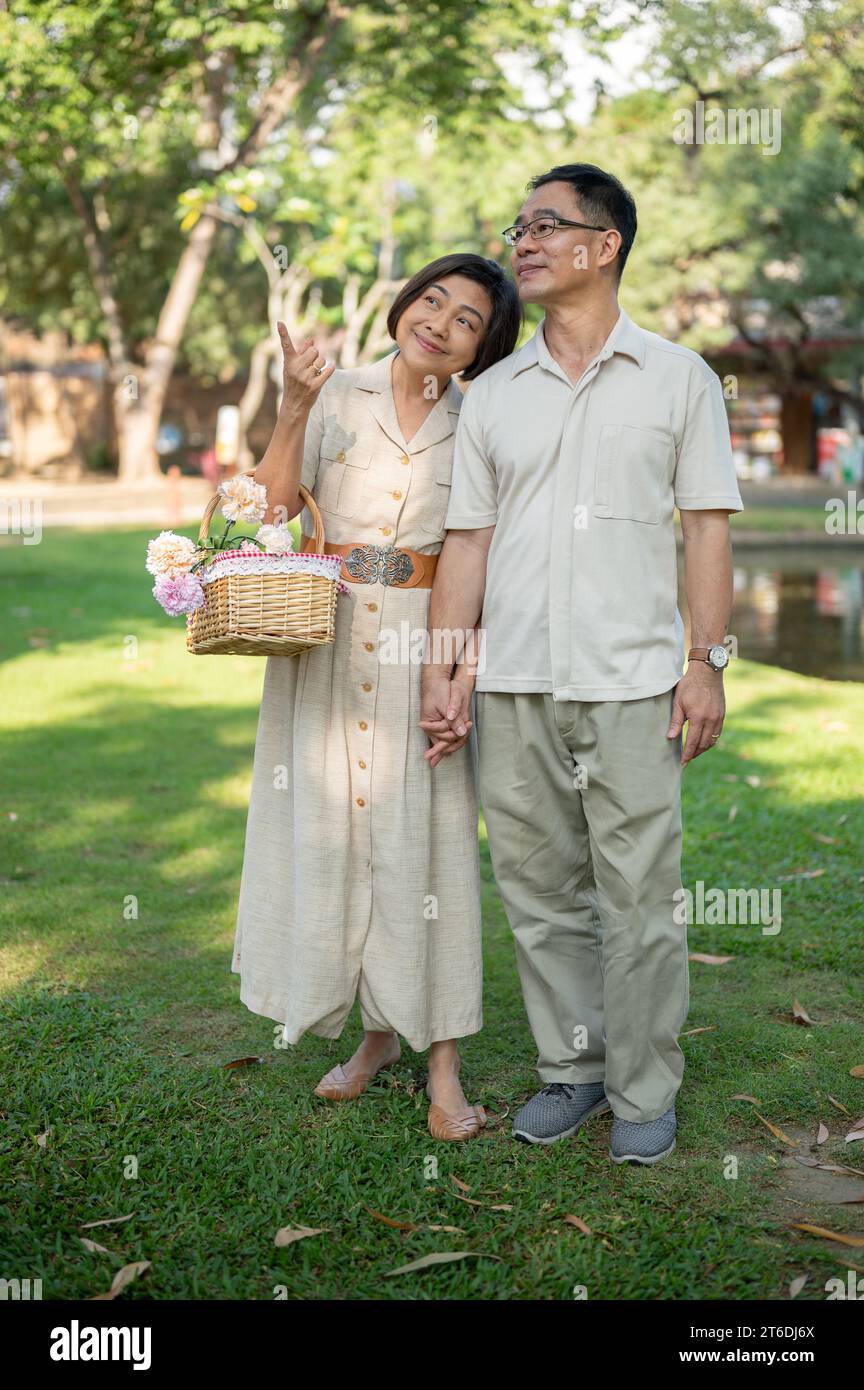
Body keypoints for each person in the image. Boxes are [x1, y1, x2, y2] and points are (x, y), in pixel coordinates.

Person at [421, 164, 743, 1164]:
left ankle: (647, 1086)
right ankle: (576, 1071)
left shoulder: (680, 377)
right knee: (539, 892)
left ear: (602, 247)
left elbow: (706, 533)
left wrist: (708, 660)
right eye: (518, 224)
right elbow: (467, 542)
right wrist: (446, 663)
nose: (523, 240)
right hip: (514, 680)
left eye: (546, 225)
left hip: (636, 680)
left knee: (640, 896)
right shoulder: (494, 393)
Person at [232, 254, 521, 1141]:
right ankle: (373, 1039)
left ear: (481, 347)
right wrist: (290, 406)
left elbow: (483, 561)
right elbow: (269, 518)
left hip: (420, 645)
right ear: (404, 304)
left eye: (466, 318)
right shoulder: (337, 392)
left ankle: (444, 1068)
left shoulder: (480, 423)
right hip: (324, 633)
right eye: (431, 299)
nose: (439, 321)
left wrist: (458, 673)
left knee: (423, 846)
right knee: (337, 833)